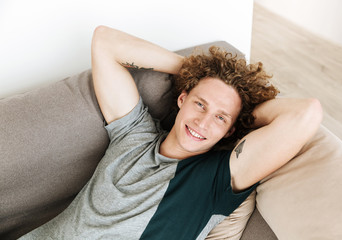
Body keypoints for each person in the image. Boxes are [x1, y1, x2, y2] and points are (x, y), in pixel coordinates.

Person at [20, 26, 323, 239]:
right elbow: (105, 41)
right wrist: (198, 71)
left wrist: (239, 116)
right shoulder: (134, 133)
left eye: (219, 118)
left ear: (231, 129)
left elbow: (306, 113)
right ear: (182, 100)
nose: (203, 123)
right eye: (200, 104)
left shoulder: (216, 180)